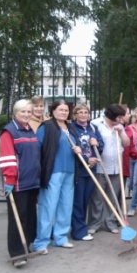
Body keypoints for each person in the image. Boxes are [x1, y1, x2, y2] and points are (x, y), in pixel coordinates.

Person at [33, 100, 81, 254]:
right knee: (48, 206)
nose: (63, 112)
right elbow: (37, 149)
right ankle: (41, 242)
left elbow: (76, 144)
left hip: (70, 171)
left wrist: (78, 149)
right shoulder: (46, 127)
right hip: (53, 171)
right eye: (60, 110)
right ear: (53, 111)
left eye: (66, 110)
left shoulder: (70, 127)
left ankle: (60, 237)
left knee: (66, 206)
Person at [0, 99, 40, 267]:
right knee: (18, 218)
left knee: (30, 217)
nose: (26, 114)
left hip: (32, 181)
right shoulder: (9, 132)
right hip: (18, 183)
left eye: (29, 112)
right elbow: (8, 158)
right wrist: (9, 178)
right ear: (15, 113)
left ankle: (26, 245)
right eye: (23, 111)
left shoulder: (30, 130)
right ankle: (17, 254)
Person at [88, 104, 130, 234]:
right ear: (111, 116)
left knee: (113, 196)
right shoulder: (95, 124)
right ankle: (94, 223)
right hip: (100, 166)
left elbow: (127, 144)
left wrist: (121, 132)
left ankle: (110, 222)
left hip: (116, 167)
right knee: (97, 197)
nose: (120, 120)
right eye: (118, 117)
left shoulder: (120, 126)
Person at [70, 104, 104, 241]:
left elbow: (100, 145)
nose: (83, 115)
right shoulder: (72, 128)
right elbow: (72, 148)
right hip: (79, 169)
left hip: (91, 170)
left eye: (85, 112)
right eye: (80, 112)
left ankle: (81, 227)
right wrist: (86, 159)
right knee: (78, 201)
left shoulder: (92, 128)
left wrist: (97, 144)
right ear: (75, 114)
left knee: (85, 201)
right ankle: (78, 232)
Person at [121, 105, 137, 199]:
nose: (129, 115)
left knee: (135, 182)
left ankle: (132, 207)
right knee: (129, 184)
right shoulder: (129, 127)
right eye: (127, 113)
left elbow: (130, 146)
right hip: (125, 160)